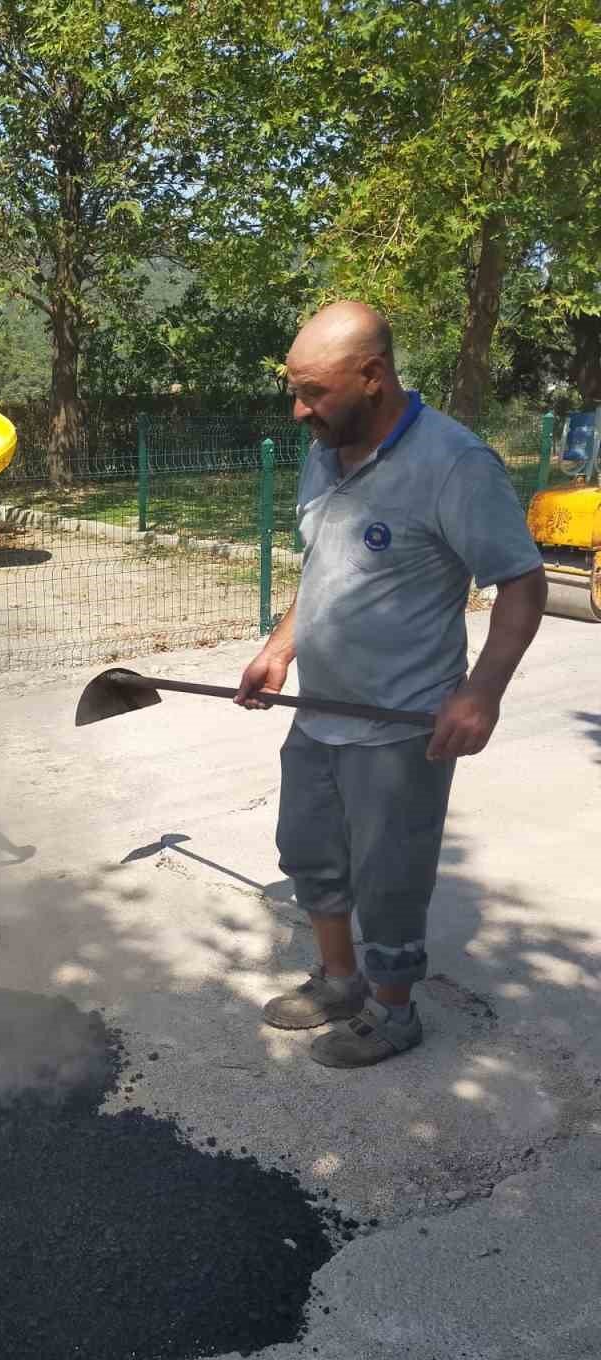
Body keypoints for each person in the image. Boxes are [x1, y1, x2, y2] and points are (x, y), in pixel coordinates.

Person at [236, 301, 546, 1068]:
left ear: (372, 377)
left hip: (401, 721)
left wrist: (481, 692)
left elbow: (521, 582)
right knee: (310, 853)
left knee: (390, 877)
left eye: (313, 391)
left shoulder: (453, 463)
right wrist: (281, 648)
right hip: (319, 709)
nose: (298, 408)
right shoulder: (325, 448)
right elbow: (323, 568)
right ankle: (340, 981)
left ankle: (394, 1009)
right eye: (294, 389)